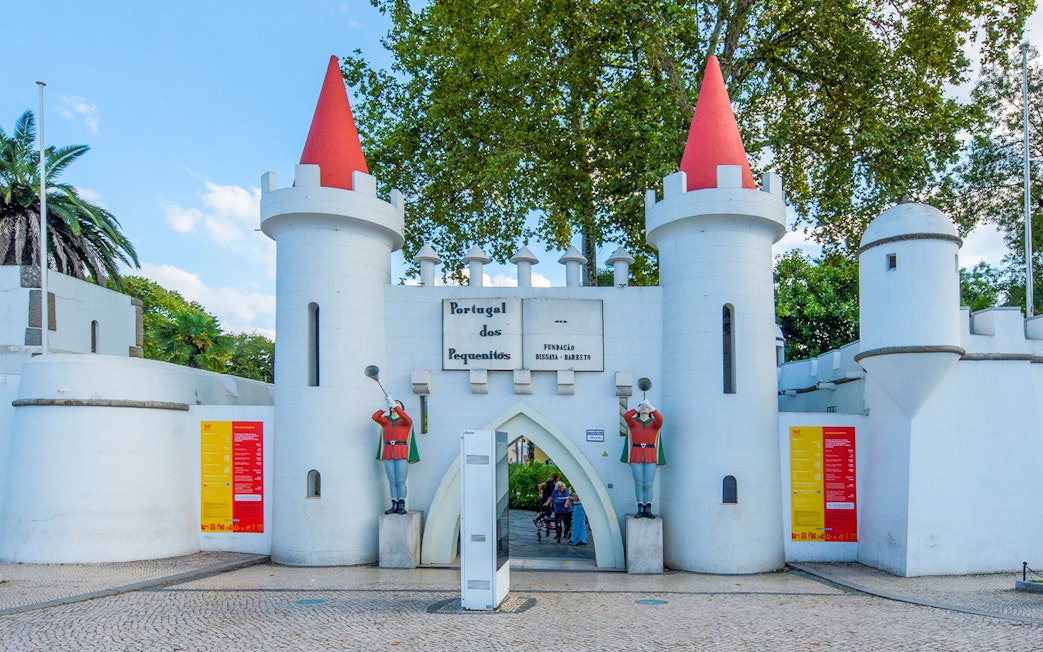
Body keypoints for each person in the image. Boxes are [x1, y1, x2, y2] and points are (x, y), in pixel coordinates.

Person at [372, 396, 418, 515]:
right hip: (388, 451)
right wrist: (385, 406)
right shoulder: (386, 420)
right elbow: (375, 417)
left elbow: (406, 418)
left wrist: (395, 405)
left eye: (397, 405)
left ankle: (401, 503)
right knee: (392, 480)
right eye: (392, 405)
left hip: (400, 450)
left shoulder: (404, 421)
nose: (393, 406)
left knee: (400, 480)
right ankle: (394, 503)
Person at [621, 398, 666, 518]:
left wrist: (651, 407)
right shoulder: (634, 422)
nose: (644, 408)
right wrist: (637, 408)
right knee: (639, 482)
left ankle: (648, 506)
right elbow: (626, 416)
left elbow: (660, 420)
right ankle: (640, 506)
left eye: (646, 407)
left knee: (648, 483)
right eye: (643, 406)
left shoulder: (654, 423)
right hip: (636, 453)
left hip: (650, 454)